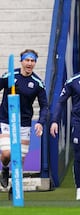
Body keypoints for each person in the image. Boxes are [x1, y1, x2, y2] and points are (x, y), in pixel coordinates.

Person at [50, 51, 80, 200]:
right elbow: (61, 102)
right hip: (79, 124)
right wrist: (54, 121)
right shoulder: (73, 81)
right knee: (79, 157)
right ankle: (79, 189)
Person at [0, 49, 48, 189]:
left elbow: (44, 105)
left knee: (19, 159)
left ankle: (15, 189)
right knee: (7, 153)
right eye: (27, 60)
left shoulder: (38, 83)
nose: (29, 63)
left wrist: (40, 122)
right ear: (21, 61)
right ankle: (4, 169)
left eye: (32, 61)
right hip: (6, 120)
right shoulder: (10, 75)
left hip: (24, 123)